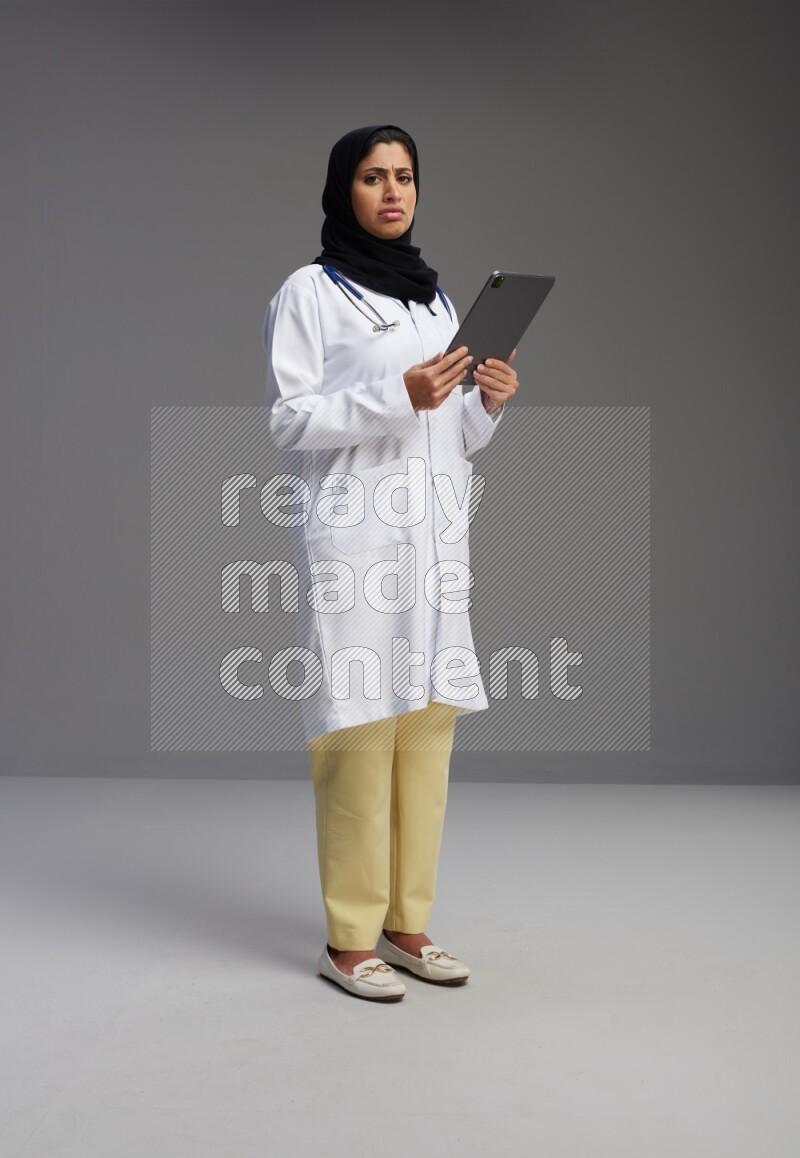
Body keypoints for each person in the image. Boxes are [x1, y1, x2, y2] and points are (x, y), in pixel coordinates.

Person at [262, 124, 519, 1001]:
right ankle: (348, 939)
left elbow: (455, 438)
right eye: (374, 178)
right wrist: (395, 393)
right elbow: (289, 421)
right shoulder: (310, 293)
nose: (392, 192)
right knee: (359, 734)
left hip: (436, 545)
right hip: (355, 546)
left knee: (426, 735)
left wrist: (486, 402)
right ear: (345, 190)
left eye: (405, 177)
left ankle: (408, 925)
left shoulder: (436, 301)